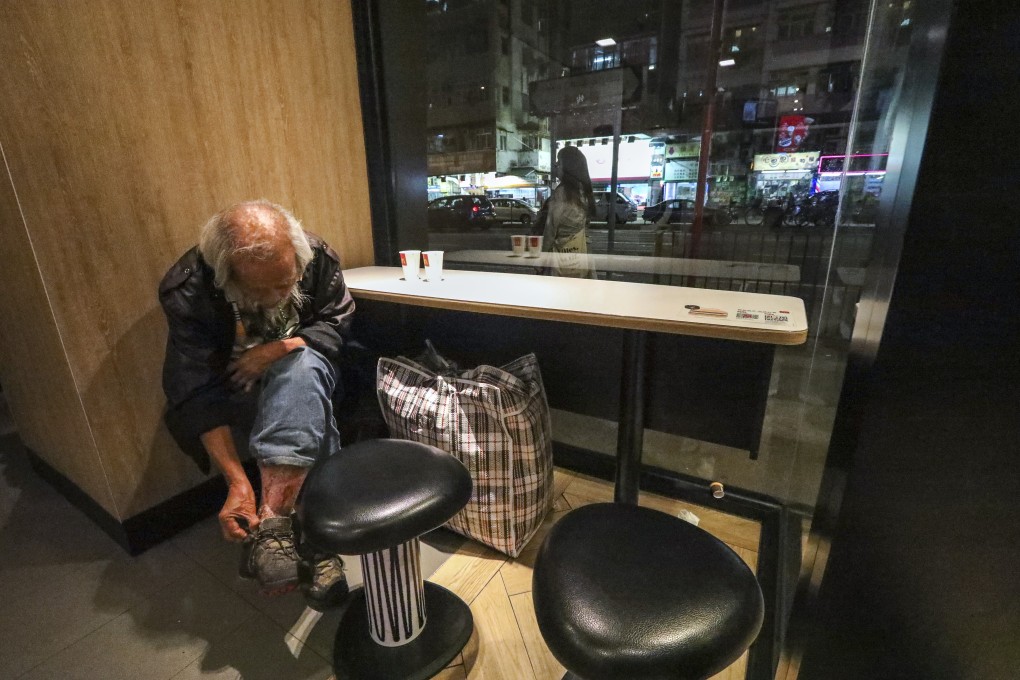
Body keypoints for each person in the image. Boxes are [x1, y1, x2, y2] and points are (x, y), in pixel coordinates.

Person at [159, 199, 355, 610]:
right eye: (257, 290)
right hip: (236, 396)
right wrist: (237, 482)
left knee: (302, 374)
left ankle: (275, 529)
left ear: (298, 260)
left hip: (306, 379)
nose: (274, 298)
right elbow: (193, 388)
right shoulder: (191, 287)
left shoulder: (317, 258)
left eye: (284, 284)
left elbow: (336, 323)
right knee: (308, 410)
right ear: (226, 276)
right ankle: (316, 544)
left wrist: (276, 349)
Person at [539, 145, 598, 279]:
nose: (556, 166)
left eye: (559, 163)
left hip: (561, 257)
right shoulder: (584, 192)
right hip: (580, 254)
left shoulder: (562, 193)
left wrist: (542, 260)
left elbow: (550, 230)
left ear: (568, 168)